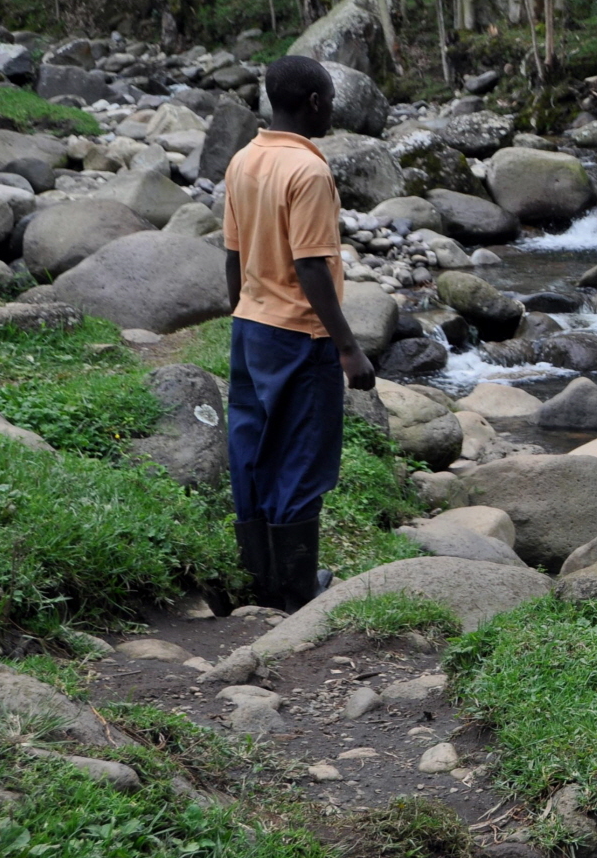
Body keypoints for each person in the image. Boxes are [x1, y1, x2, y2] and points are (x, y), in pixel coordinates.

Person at [218, 56, 376, 615]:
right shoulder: (308, 172)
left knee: (254, 446)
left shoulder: (245, 159)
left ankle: (260, 579)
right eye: (330, 98)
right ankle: (297, 588)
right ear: (313, 101)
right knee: (301, 455)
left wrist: (240, 307)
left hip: (251, 326)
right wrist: (348, 348)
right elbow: (312, 266)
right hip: (298, 334)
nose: (332, 107)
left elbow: (234, 252)